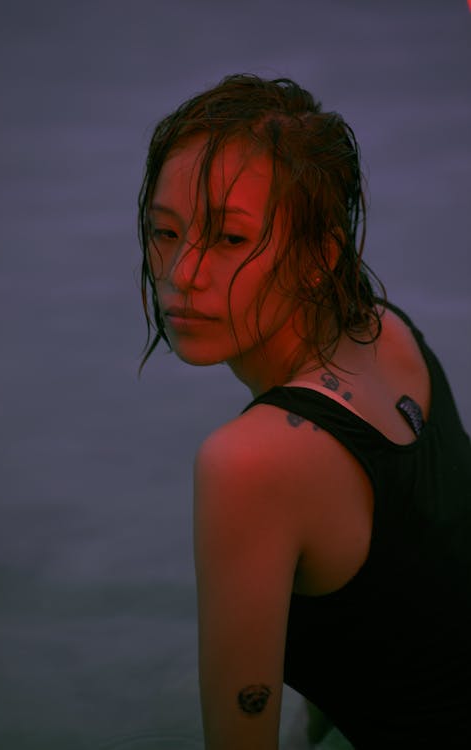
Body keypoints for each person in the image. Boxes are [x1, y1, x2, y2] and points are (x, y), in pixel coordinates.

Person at [136, 74, 471, 749]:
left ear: (321, 256)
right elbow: (407, 590)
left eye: (230, 240)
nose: (181, 274)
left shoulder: (250, 462)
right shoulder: (389, 336)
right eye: (164, 232)